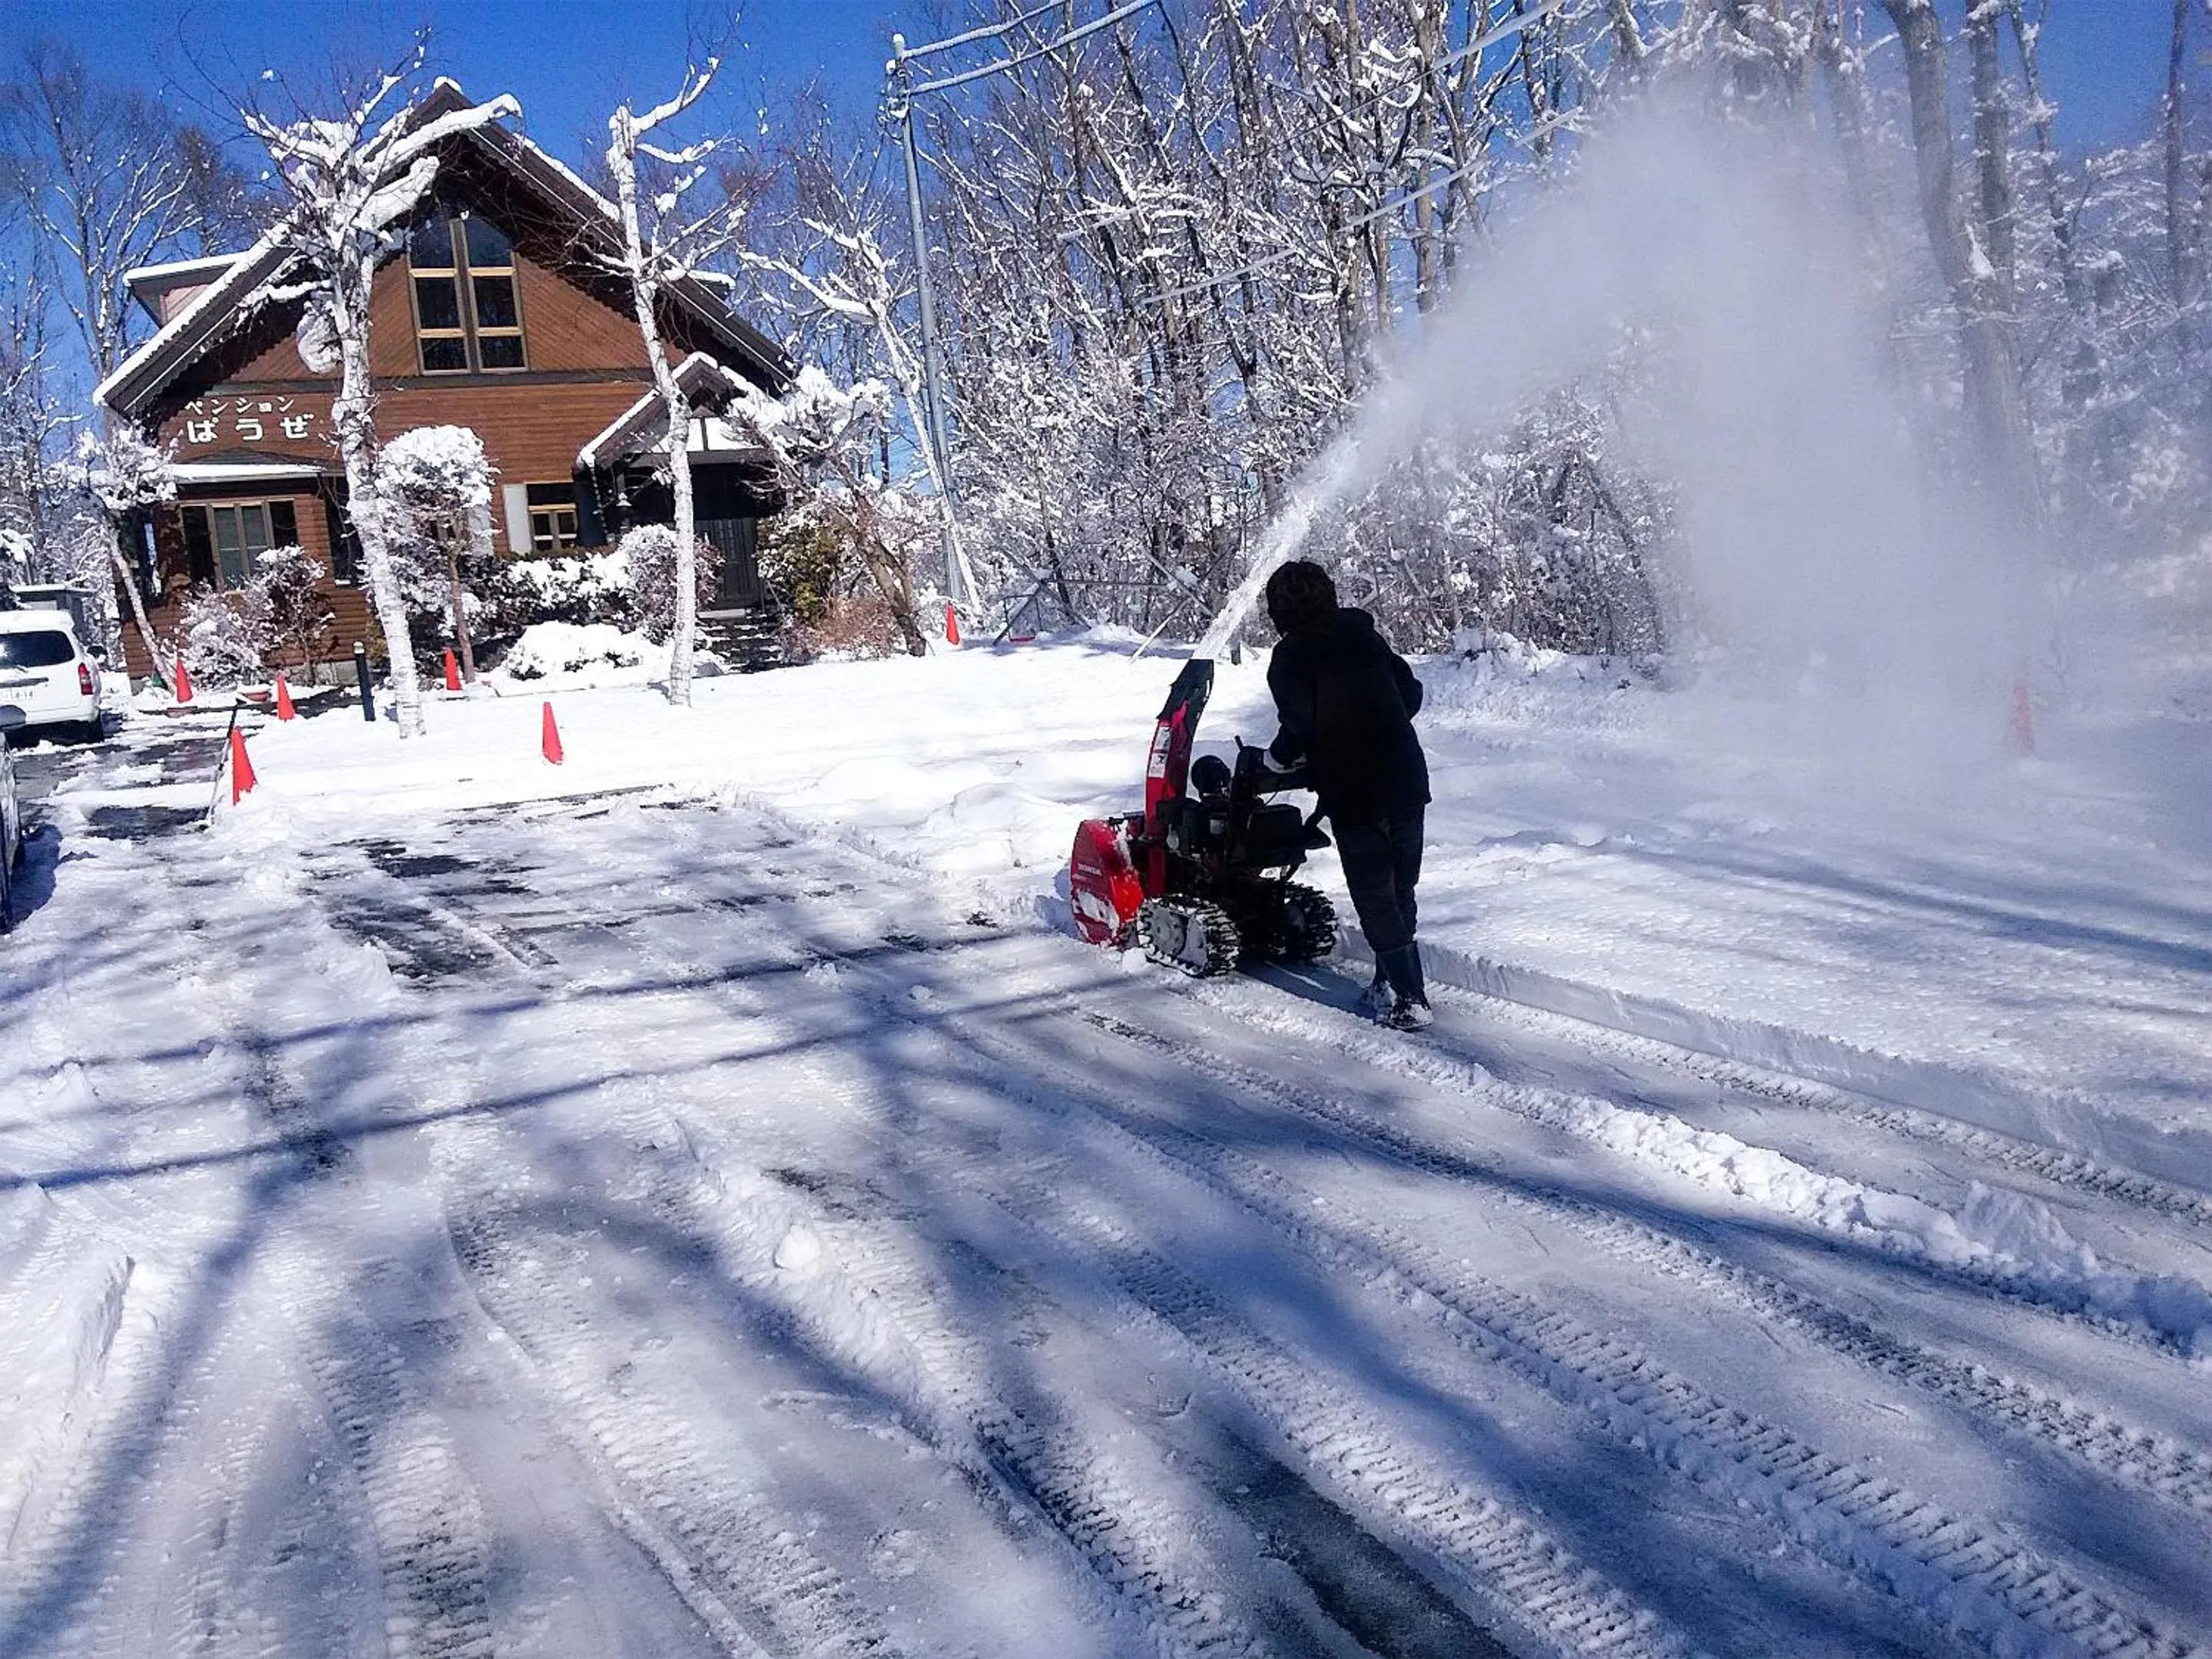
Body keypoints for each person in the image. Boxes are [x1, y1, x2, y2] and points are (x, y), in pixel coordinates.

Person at [1260, 559, 1433, 1030]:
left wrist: (1275, 760)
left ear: (1279, 610)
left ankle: (1411, 1000)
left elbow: (1298, 725)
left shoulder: (1291, 656)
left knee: (1375, 894)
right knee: (1400, 885)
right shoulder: (1364, 636)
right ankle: (1387, 984)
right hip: (1405, 775)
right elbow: (1411, 694)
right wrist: (1378, 721)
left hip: (1357, 789)